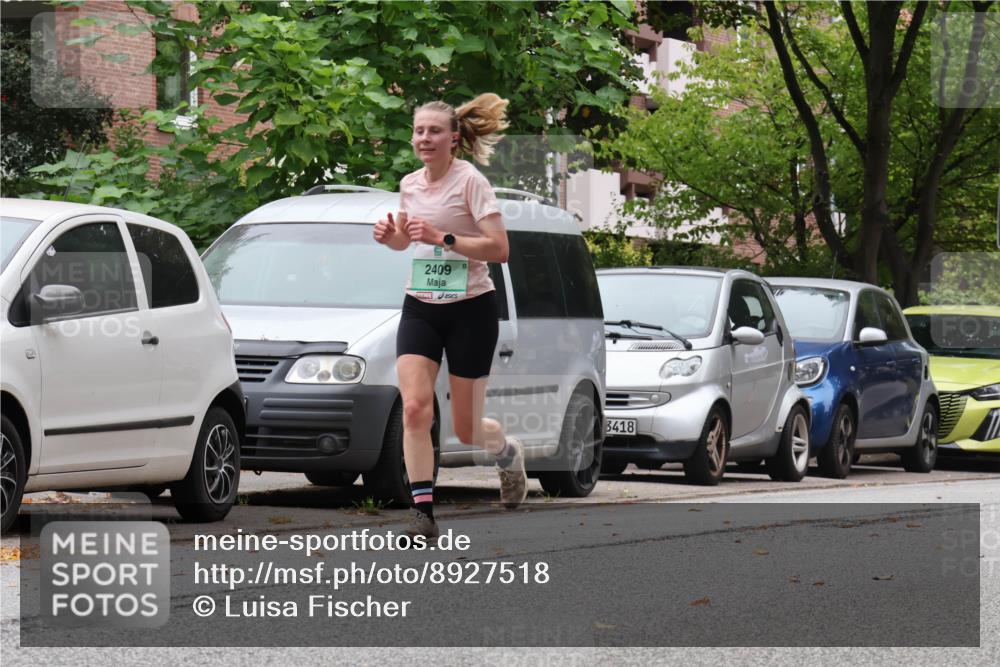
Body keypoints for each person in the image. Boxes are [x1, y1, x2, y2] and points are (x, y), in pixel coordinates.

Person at [373, 93, 526, 540]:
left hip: (472, 309)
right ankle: (422, 514)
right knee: (416, 408)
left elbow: (500, 248)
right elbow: (410, 242)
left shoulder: (471, 182)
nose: (425, 138)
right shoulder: (409, 184)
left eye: (434, 131)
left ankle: (505, 451)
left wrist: (445, 237)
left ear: (454, 139)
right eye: (419, 131)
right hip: (421, 304)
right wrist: (391, 238)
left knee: (465, 425)